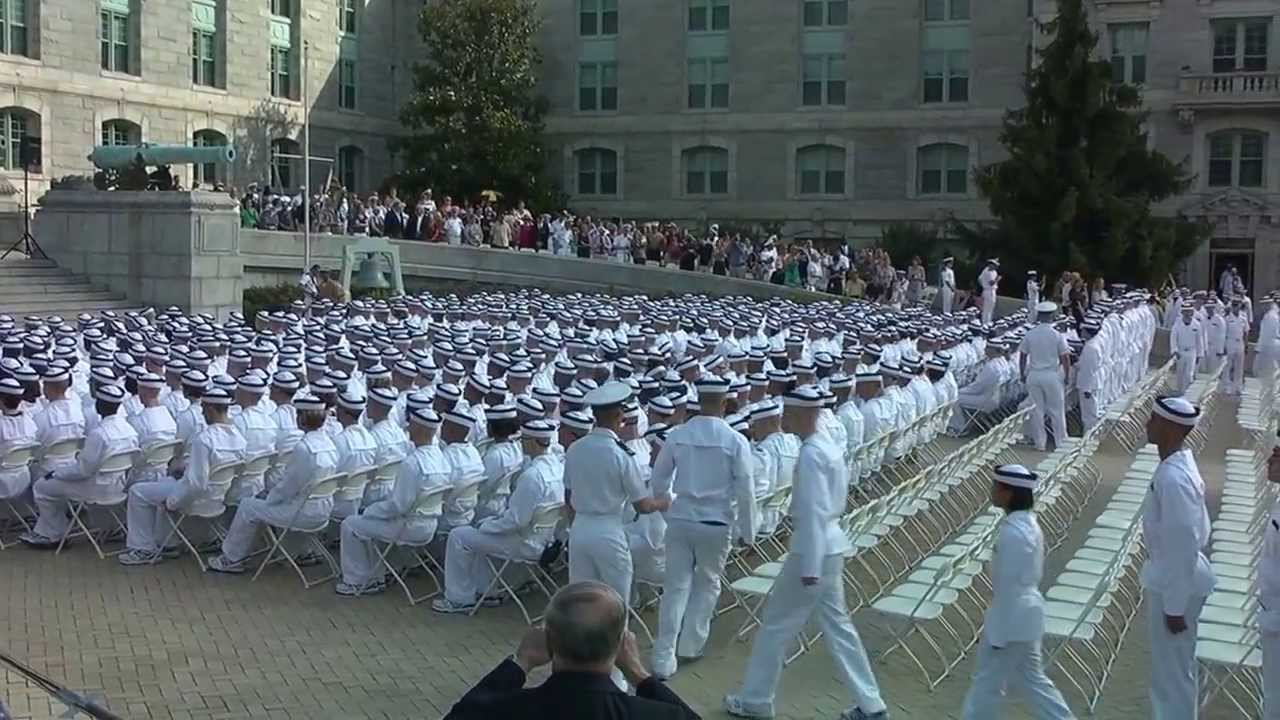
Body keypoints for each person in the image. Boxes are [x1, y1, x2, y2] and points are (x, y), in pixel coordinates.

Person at [724, 386, 888, 720]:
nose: (785, 419)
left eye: (789, 413)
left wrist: (809, 565)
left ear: (804, 414)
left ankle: (756, 699)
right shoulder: (825, 446)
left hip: (812, 550)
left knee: (776, 626)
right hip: (829, 545)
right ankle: (871, 705)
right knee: (839, 628)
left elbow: (813, 510)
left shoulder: (813, 453)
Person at [442, 581, 701, 720]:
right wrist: (638, 674)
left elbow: (462, 714)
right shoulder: (655, 715)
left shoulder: (503, 710)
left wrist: (520, 663)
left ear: (548, 640)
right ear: (622, 644)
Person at [649, 376, 756, 679]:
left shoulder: (678, 434)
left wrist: (668, 507)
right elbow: (746, 489)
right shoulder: (735, 440)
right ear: (724, 403)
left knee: (675, 587)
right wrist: (748, 532)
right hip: (716, 521)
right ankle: (691, 646)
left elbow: (659, 479)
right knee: (707, 584)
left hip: (681, 518)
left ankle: (663, 657)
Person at [564, 383, 669, 685]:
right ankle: (616, 677)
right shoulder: (622, 454)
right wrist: (667, 500)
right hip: (609, 529)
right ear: (619, 415)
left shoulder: (576, 448)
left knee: (580, 605)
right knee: (615, 608)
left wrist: (578, 525)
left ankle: (576, 671)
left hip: (581, 528)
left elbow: (568, 497)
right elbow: (645, 505)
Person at [959, 464, 1072, 719]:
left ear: (1008, 493)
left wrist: (998, 635)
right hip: (1025, 616)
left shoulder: (1014, 533)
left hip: (1011, 619)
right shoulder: (1026, 524)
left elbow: (1008, 587)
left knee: (986, 684)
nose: (992, 491)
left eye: (996, 487)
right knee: (1033, 681)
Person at [433, 418, 564, 613]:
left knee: (459, 536)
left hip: (525, 542)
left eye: (523, 440)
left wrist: (486, 526)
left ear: (530, 442)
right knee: (482, 536)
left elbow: (516, 521)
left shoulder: (533, 475)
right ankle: (488, 590)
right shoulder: (556, 468)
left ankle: (459, 599)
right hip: (543, 539)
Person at [1142, 396, 1215, 720]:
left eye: (1154, 420)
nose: (1147, 425)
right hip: (1176, 577)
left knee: (1172, 674)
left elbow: (1183, 544)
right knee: (1171, 670)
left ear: (1170, 428)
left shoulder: (1174, 478)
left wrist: (1174, 606)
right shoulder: (1176, 467)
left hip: (1177, 583)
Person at [208, 395, 339, 573]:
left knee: (248, 506)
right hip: (323, 511)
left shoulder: (304, 448)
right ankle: (290, 552)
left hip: (301, 513)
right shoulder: (330, 444)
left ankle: (231, 559)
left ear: (301, 418)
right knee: (258, 504)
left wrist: (268, 497)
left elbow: (288, 488)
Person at [117, 387, 247, 565]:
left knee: (138, 492)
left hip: (199, 498)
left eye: (203, 409)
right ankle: (167, 543)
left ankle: (143, 549)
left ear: (210, 409)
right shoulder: (239, 437)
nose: (202, 413)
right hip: (218, 496)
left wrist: (172, 502)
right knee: (167, 481)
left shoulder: (205, 439)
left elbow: (196, 484)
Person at [336, 408, 449, 596]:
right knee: (368, 525)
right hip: (430, 525)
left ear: (420, 429)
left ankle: (357, 581)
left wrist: (371, 511)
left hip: (408, 526)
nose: (409, 428)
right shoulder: (441, 459)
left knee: (351, 525)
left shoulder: (412, 463)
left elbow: (398, 506)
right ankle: (375, 577)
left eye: (412, 425)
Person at [21, 384, 139, 548]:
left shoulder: (99, 434)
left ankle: (52, 533)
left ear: (100, 405)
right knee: (53, 485)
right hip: (118, 487)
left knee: (42, 487)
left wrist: (57, 474)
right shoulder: (130, 430)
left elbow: (83, 471)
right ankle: (62, 526)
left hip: (95, 488)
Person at [1019, 302, 1071, 452]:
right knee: (1056, 410)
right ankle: (1060, 442)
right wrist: (1067, 375)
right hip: (1051, 375)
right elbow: (1065, 357)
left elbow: (1023, 356)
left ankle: (1040, 442)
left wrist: (1022, 373)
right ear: (1052, 316)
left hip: (1034, 375)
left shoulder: (1030, 333)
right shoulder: (1057, 335)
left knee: (1037, 411)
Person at [1169, 305, 1201, 394]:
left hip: (1192, 352)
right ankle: (1180, 391)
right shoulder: (1177, 324)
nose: (1187, 314)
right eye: (1185, 311)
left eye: (1189, 311)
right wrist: (1174, 350)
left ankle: (1186, 392)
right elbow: (1173, 338)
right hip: (1180, 352)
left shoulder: (1197, 325)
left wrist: (1199, 354)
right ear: (1182, 313)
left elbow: (1199, 341)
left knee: (1189, 374)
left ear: (1192, 312)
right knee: (1180, 374)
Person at [978, 259, 1000, 327]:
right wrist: (997, 279)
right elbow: (991, 283)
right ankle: (985, 324)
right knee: (988, 309)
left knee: (989, 308)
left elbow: (979, 279)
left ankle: (987, 322)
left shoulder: (987, 270)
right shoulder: (988, 272)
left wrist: (983, 285)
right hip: (989, 291)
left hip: (988, 290)